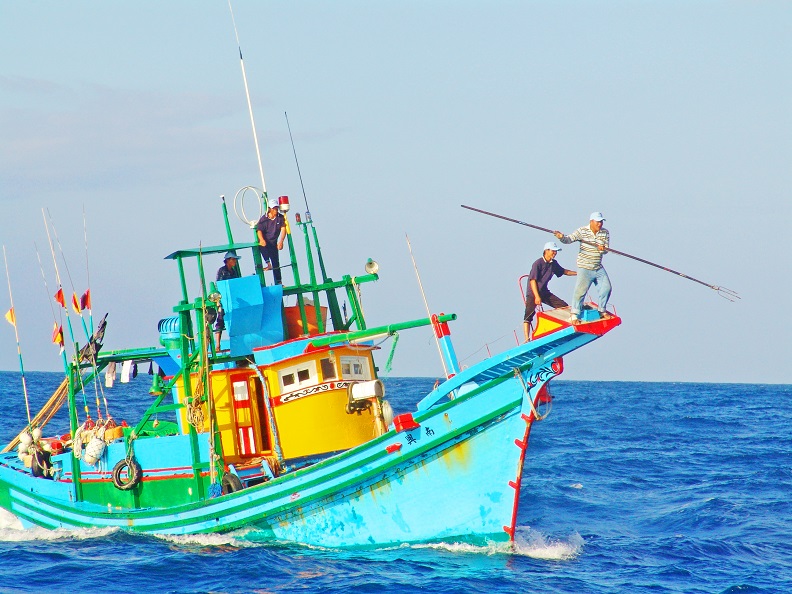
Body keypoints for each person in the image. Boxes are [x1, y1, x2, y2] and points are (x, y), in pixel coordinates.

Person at [554, 211, 612, 324]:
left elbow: (606, 250)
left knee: (607, 288)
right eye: (597, 221)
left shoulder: (605, 233)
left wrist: (603, 249)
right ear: (591, 221)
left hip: (597, 266)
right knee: (580, 291)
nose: (600, 224)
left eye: (601, 222)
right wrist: (561, 237)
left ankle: (602, 310)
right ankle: (574, 315)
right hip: (585, 266)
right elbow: (568, 239)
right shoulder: (582, 231)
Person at [523, 241, 576, 341]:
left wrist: (579, 273)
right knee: (529, 314)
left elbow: (564, 271)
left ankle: (567, 326)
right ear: (546, 251)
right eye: (553, 251)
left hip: (544, 292)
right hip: (533, 292)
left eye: (556, 251)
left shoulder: (553, 264)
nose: (555, 253)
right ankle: (526, 338)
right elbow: (532, 281)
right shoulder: (537, 263)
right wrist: (537, 296)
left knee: (563, 306)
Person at [214, 250, 241, 349]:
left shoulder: (234, 271)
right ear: (228, 260)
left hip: (233, 299)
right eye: (233, 259)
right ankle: (217, 344)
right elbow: (219, 285)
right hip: (223, 299)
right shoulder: (222, 271)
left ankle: (237, 343)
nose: (235, 261)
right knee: (220, 319)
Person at [256, 198, 287, 285]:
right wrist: (262, 240)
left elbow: (283, 229)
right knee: (261, 246)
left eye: (276, 208)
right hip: (265, 242)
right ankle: (268, 263)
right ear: (270, 208)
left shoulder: (280, 218)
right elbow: (259, 231)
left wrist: (281, 241)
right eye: (273, 208)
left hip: (274, 242)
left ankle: (279, 281)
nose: (275, 210)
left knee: (276, 262)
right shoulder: (263, 219)